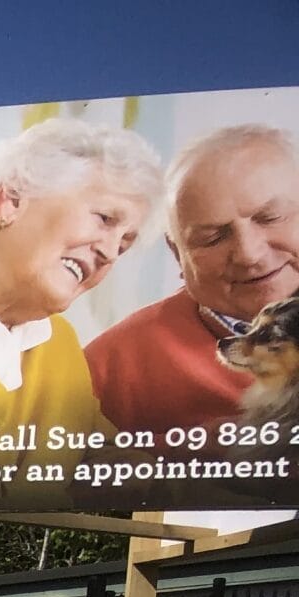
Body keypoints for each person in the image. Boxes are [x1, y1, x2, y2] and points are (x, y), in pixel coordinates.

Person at [0, 118, 161, 506]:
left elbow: (101, 456)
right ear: (12, 199)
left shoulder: (60, 346)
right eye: (105, 219)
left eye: (124, 244)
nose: (109, 252)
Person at [87, 124, 299, 436]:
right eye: (212, 238)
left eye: (270, 218)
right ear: (177, 253)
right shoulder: (108, 368)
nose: (249, 254)